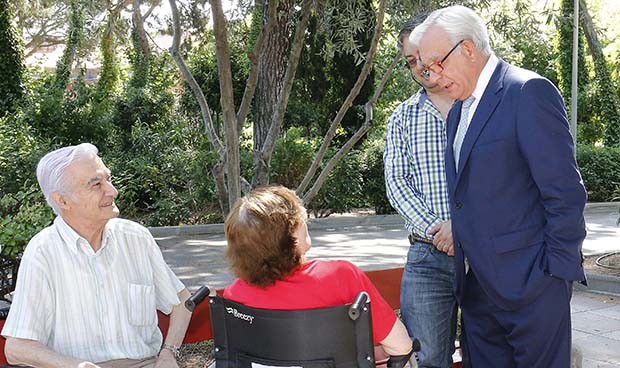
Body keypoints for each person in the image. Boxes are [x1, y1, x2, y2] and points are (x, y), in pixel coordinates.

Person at [410, 5, 587, 367]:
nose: (432, 75)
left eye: (436, 63)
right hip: (476, 292)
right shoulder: (458, 111)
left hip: (532, 289)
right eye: (425, 68)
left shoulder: (527, 92)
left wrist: (552, 280)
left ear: (468, 49)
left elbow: (565, 193)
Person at [2, 143, 192, 368]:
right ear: (62, 200)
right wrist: (76, 366)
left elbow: (182, 302)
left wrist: (169, 354)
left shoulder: (136, 238)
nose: (112, 191)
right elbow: (16, 348)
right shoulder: (43, 252)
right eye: (96, 185)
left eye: (108, 179)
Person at [223, 185, 413, 359]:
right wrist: (370, 355)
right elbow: (401, 347)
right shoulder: (342, 276)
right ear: (292, 237)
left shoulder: (235, 295)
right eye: (298, 220)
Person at [383, 14, 460, 368]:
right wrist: (438, 228)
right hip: (427, 258)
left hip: (485, 256)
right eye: (410, 61)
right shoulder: (402, 118)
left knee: (490, 352)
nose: (419, 66)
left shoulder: (479, 107)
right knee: (425, 358)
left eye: (423, 56)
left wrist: (462, 226)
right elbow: (397, 184)